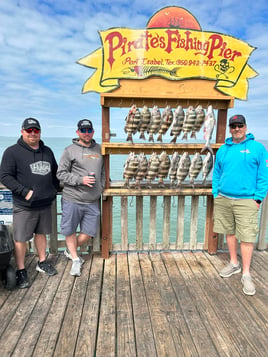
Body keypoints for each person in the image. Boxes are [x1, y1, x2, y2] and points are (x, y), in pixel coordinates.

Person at [212, 114, 268, 296]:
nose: (236, 129)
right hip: (224, 198)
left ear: (245, 127)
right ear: (229, 128)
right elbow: (217, 173)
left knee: (246, 237)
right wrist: (215, 192)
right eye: (233, 126)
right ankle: (234, 264)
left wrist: (258, 198)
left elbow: (263, 176)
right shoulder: (223, 150)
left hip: (247, 201)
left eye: (240, 125)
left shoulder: (258, 148)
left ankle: (246, 273)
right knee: (229, 232)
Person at [0, 118, 59, 288]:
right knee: (20, 238)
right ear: (22, 131)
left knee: (41, 234)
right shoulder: (12, 152)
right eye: (29, 130)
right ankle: (21, 270)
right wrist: (24, 192)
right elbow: (4, 177)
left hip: (45, 203)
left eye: (36, 130)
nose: (33, 133)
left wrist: (53, 190)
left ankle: (42, 262)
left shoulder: (47, 151)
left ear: (40, 132)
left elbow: (55, 172)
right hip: (24, 206)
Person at [57, 119, 105, 277]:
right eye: (83, 130)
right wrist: (80, 180)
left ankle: (70, 251)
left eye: (89, 130)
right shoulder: (69, 150)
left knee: (89, 232)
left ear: (93, 132)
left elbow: (103, 171)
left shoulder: (99, 149)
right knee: (69, 230)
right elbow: (60, 174)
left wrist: (102, 186)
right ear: (77, 132)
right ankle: (76, 259)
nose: (86, 133)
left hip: (92, 200)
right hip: (72, 198)